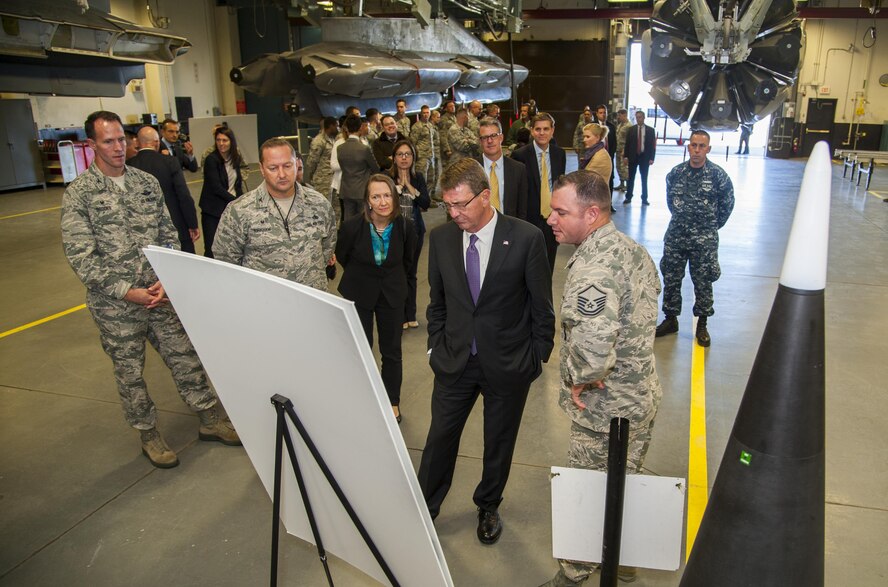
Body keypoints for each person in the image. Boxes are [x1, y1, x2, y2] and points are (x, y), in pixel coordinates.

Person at [61, 111, 240, 470]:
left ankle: (209, 418)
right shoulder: (79, 194)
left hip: (158, 294)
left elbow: (166, 234)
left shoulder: (145, 182)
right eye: (107, 141)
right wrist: (127, 292)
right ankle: (148, 434)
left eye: (120, 140)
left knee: (184, 354)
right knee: (130, 372)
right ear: (93, 145)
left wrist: (165, 278)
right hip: (116, 306)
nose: (117, 147)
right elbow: (81, 256)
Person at [418, 158, 555, 545]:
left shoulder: (526, 238)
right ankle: (424, 506)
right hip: (455, 360)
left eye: (461, 204)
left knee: (498, 441)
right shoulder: (443, 239)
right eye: (448, 205)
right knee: (440, 437)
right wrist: (435, 348)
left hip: (508, 363)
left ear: (485, 196)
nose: (454, 213)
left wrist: (536, 358)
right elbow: (438, 302)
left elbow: (541, 306)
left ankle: (488, 504)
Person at [539, 169, 662, 587]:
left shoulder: (594, 267)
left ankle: (576, 570)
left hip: (605, 408)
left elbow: (592, 351)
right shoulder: (631, 250)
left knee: (588, 487)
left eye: (560, 212)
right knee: (625, 479)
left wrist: (577, 379)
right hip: (640, 395)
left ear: (591, 214)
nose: (550, 219)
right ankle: (624, 556)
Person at [336, 174, 416, 423]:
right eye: (376, 196)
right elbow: (343, 256)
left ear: (394, 196)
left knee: (391, 352)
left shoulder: (405, 227)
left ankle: (392, 400)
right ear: (368, 201)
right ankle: (362, 398)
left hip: (392, 294)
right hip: (359, 292)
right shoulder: (351, 227)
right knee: (361, 349)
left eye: (387, 195)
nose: (383, 201)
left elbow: (408, 263)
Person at [213, 138, 336, 291]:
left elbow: (327, 247)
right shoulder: (239, 211)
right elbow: (226, 261)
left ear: (297, 164)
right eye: (273, 168)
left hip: (311, 300)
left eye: (287, 166)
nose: (282, 174)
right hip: (265, 304)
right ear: (262, 169)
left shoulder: (319, 204)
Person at [655, 130, 735, 347]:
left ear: (708, 149)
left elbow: (727, 205)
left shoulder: (718, 176)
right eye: (693, 145)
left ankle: (702, 323)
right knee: (671, 277)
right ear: (688, 147)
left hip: (704, 240)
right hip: (677, 236)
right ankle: (671, 319)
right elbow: (671, 203)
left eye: (701, 146)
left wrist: (710, 227)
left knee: (703, 281)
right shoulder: (676, 173)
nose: (697, 150)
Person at [128, 126, 200, 253]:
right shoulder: (170, 162)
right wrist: (192, 224)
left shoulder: (129, 166)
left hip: (144, 232)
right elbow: (183, 195)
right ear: (157, 142)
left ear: (138, 143)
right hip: (175, 227)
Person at [511, 112, 567, 275]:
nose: (542, 133)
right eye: (538, 129)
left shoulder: (559, 154)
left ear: (552, 131)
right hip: (530, 218)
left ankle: (545, 300)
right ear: (531, 130)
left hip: (552, 219)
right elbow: (518, 191)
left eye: (546, 129)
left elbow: (559, 187)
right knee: (528, 267)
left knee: (548, 267)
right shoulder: (520, 155)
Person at [389, 140, 431, 330]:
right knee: (396, 273)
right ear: (394, 158)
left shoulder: (418, 177)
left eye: (408, 154)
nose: (404, 158)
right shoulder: (386, 177)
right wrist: (397, 188)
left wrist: (410, 187)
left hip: (414, 232)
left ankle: (410, 314)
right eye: (400, 154)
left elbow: (425, 203)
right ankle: (398, 314)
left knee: (411, 273)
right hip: (392, 233)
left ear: (413, 157)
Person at [199, 126, 245, 257]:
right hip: (213, 210)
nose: (221, 144)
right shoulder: (211, 160)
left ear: (231, 141)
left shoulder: (235, 158)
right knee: (211, 248)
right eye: (218, 140)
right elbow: (216, 188)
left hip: (230, 208)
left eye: (224, 140)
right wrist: (237, 201)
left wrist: (242, 200)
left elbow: (237, 184)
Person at [477, 117, 528, 219]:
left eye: (494, 136)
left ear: (501, 138)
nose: (490, 141)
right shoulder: (471, 169)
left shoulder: (518, 169)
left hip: (509, 230)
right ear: (480, 141)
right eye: (485, 137)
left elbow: (522, 209)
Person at [336, 114, 380, 221]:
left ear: (346, 128)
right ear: (360, 127)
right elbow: (375, 169)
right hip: (362, 190)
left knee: (349, 222)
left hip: (346, 191)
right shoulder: (364, 149)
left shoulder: (340, 148)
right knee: (364, 221)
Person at [621, 110, 656, 206]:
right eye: (637, 117)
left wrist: (652, 158)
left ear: (644, 118)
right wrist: (626, 156)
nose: (638, 119)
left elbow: (653, 146)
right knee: (630, 178)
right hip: (633, 157)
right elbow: (627, 144)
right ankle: (628, 197)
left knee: (644, 178)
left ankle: (644, 198)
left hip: (644, 157)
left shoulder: (650, 130)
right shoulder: (631, 129)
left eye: (640, 117)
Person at [304, 116, 339, 205]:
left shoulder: (333, 139)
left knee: (336, 207)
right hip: (323, 180)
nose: (337, 128)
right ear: (330, 126)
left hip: (334, 179)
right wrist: (312, 176)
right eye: (336, 126)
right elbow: (311, 162)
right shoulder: (319, 141)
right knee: (324, 204)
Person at [409, 104, 441, 199]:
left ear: (430, 113)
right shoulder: (417, 126)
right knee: (423, 179)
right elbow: (412, 142)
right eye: (424, 113)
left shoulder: (430, 126)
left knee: (431, 178)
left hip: (431, 156)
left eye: (427, 113)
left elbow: (434, 141)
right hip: (422, 157)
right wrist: (415, 156)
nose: (425, 115)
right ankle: (420, 200)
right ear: (421, 114)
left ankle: (428, 198)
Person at [594, 104, 618, 190]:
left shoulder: (611, 126)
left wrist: (610, 155)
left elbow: (614, 143)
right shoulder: (593, 126)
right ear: (596, 114)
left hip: (609, 157)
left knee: (610, 180)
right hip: (596, 159)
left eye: (605, 112)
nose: (603, 115)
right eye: (601, 113)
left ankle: (609, 202)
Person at [614, 109, 631, 191]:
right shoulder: (620, 125)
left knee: (625, 168)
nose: (618, 117)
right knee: (618, 167)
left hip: (624, 150)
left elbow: (629, 140)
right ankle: (621, 184)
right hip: (618, 149)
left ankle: (628, 185)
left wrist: (625, 150)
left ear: (625, 115)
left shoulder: (629, 126)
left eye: (619, 115)